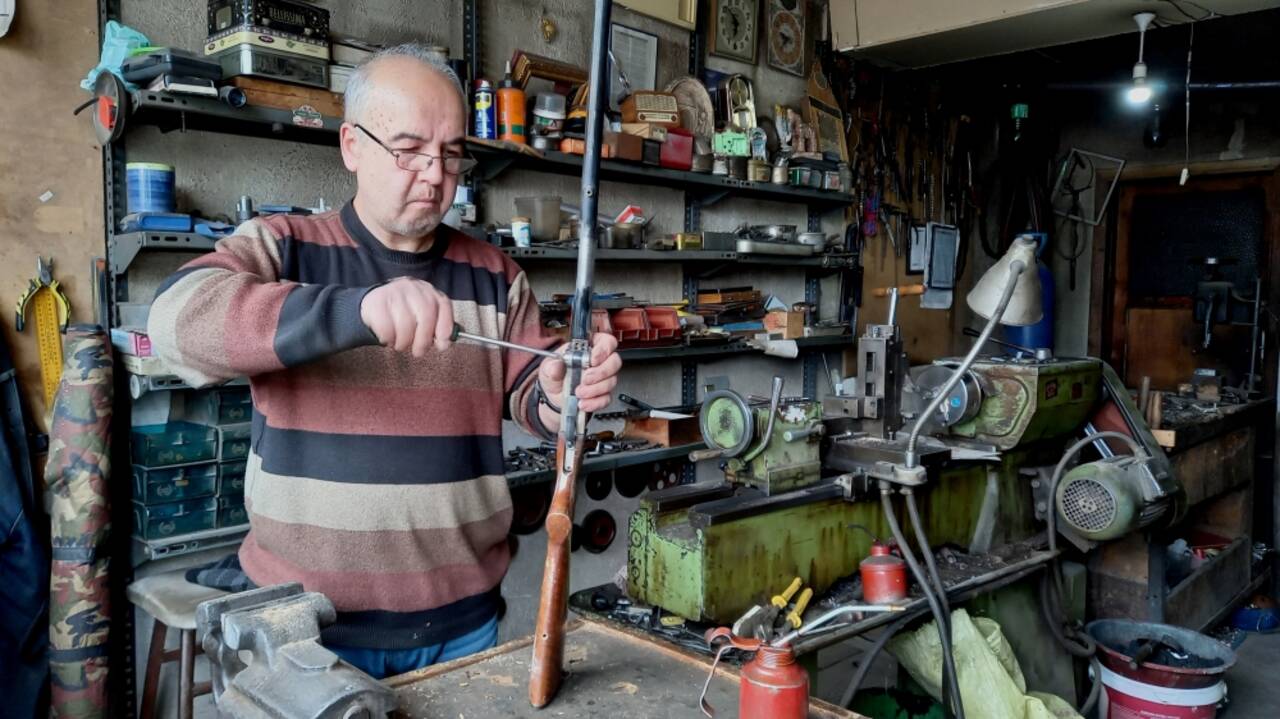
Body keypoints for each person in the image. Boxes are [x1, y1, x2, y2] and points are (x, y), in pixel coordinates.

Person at [148, 43, 622, 679]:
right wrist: (356, 312)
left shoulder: (495, 275)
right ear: (351, 146)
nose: (433, 175)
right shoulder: (286, 248)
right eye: (409, 151)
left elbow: (531, 395)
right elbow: (173, 322)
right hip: (304, 626)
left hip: (462, 622)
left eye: (451, 155)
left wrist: (561, 392)